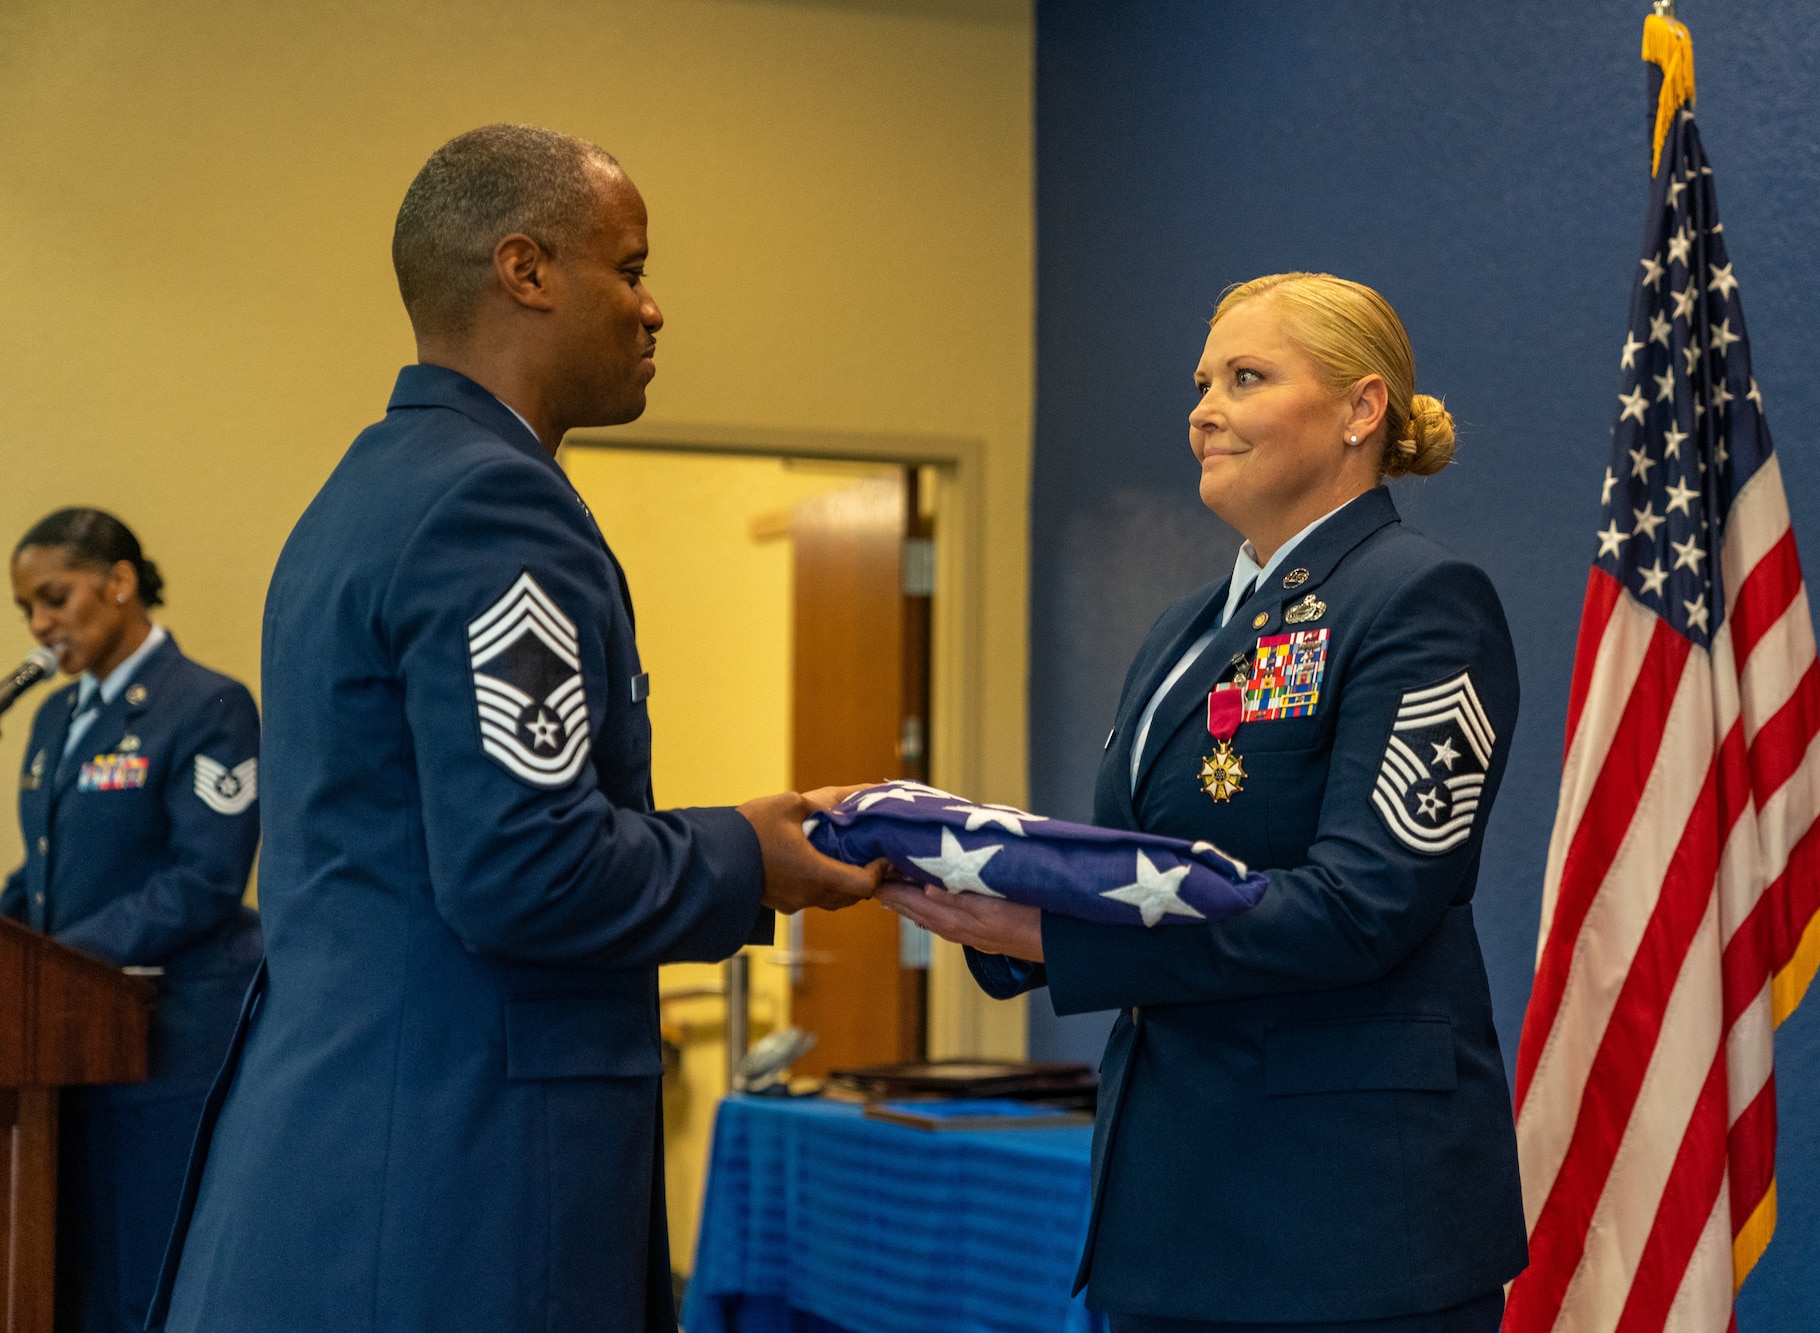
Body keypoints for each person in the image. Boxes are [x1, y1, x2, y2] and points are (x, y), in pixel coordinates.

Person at [148, 125, 883, 1333]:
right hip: (452, 1188)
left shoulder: (369, 486)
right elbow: (524, 870)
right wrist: (754, 852)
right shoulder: (493, 507)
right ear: (526, 270)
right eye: (631, 268)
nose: (654, 310)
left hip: (347, 1159)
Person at [885, 272, 1528, 1332]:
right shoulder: (1186, 630)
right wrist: (971, 882)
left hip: (1343, 1227)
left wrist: (1055, 937)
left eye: (1244, 377)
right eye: (1199, 382)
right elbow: (1143, 866)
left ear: (1360, 411)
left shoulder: (1417, 599)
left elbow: (1359, 907)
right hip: (1173, 1216)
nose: (1201, 410)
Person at [2, 509, 261, 1333]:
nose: (41, 623)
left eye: (55, 597)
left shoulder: (208, 705)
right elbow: (44, 872)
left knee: (141, 1280)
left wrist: (58, 964)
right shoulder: (53, 718)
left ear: (119, 582)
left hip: (165, 1044)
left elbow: (206, 879)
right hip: (68, 1048)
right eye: (27, 610)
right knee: (65, 1280)